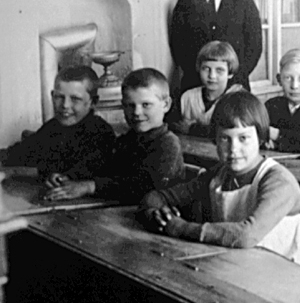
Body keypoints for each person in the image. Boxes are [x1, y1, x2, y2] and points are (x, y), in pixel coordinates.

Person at [138, 91, 300, 265]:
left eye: (243, 138)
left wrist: (179, 227)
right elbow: (155, 197)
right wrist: (157, 216)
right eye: (225, 138)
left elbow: (246, 236)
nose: (233, 149)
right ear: (215, 140)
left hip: (276, 275)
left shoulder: (278, 181)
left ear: (260, 138)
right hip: (231, 266)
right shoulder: (218, 175)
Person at [44, 68, 185, 202]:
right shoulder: (128, 140)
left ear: (166, 105)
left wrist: (90, 186)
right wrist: (67, 178)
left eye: (146, 105)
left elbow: (145, 188)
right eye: (130, 105)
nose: (136, 112)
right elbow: (100, 166)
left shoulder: (168, 144)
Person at [169, 0, 262, 93]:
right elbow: (178, 49)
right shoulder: (184, 5)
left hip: (234, 87)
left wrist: (232, 78)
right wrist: (202, 78)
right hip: (196, 87)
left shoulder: (245, 3)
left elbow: (254, 48)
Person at [0, 66, 115, 183]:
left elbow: (71, 172)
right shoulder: (52, 127)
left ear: (93, 102)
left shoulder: (101, 133)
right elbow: (18, 153)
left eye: (75, 99)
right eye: (59, 97)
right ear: (52, 96)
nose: (65, 105)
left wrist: (14, 171)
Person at [175, 40, 245, 137]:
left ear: (230, 73)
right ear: (199, 69)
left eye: (219, 70)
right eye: (206, 69)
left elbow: (232, 131)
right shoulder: (188, 97)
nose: (212, 76)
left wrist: (193, 129)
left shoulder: (238, 99)